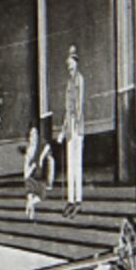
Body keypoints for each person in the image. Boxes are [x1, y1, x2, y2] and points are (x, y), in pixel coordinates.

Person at [61, 45, 87, 214]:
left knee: (77, 165)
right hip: (70, 126)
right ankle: (70, 200)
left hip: (77, 125)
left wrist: (77, 121)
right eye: (68, 64)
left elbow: (80, 103)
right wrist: (63, 130)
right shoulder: (69, 83)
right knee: (71, 165)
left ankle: (78, 199)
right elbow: (67, 108)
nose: (70, 67)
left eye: (72, 63)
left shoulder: (79, 79)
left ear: (76, 63)